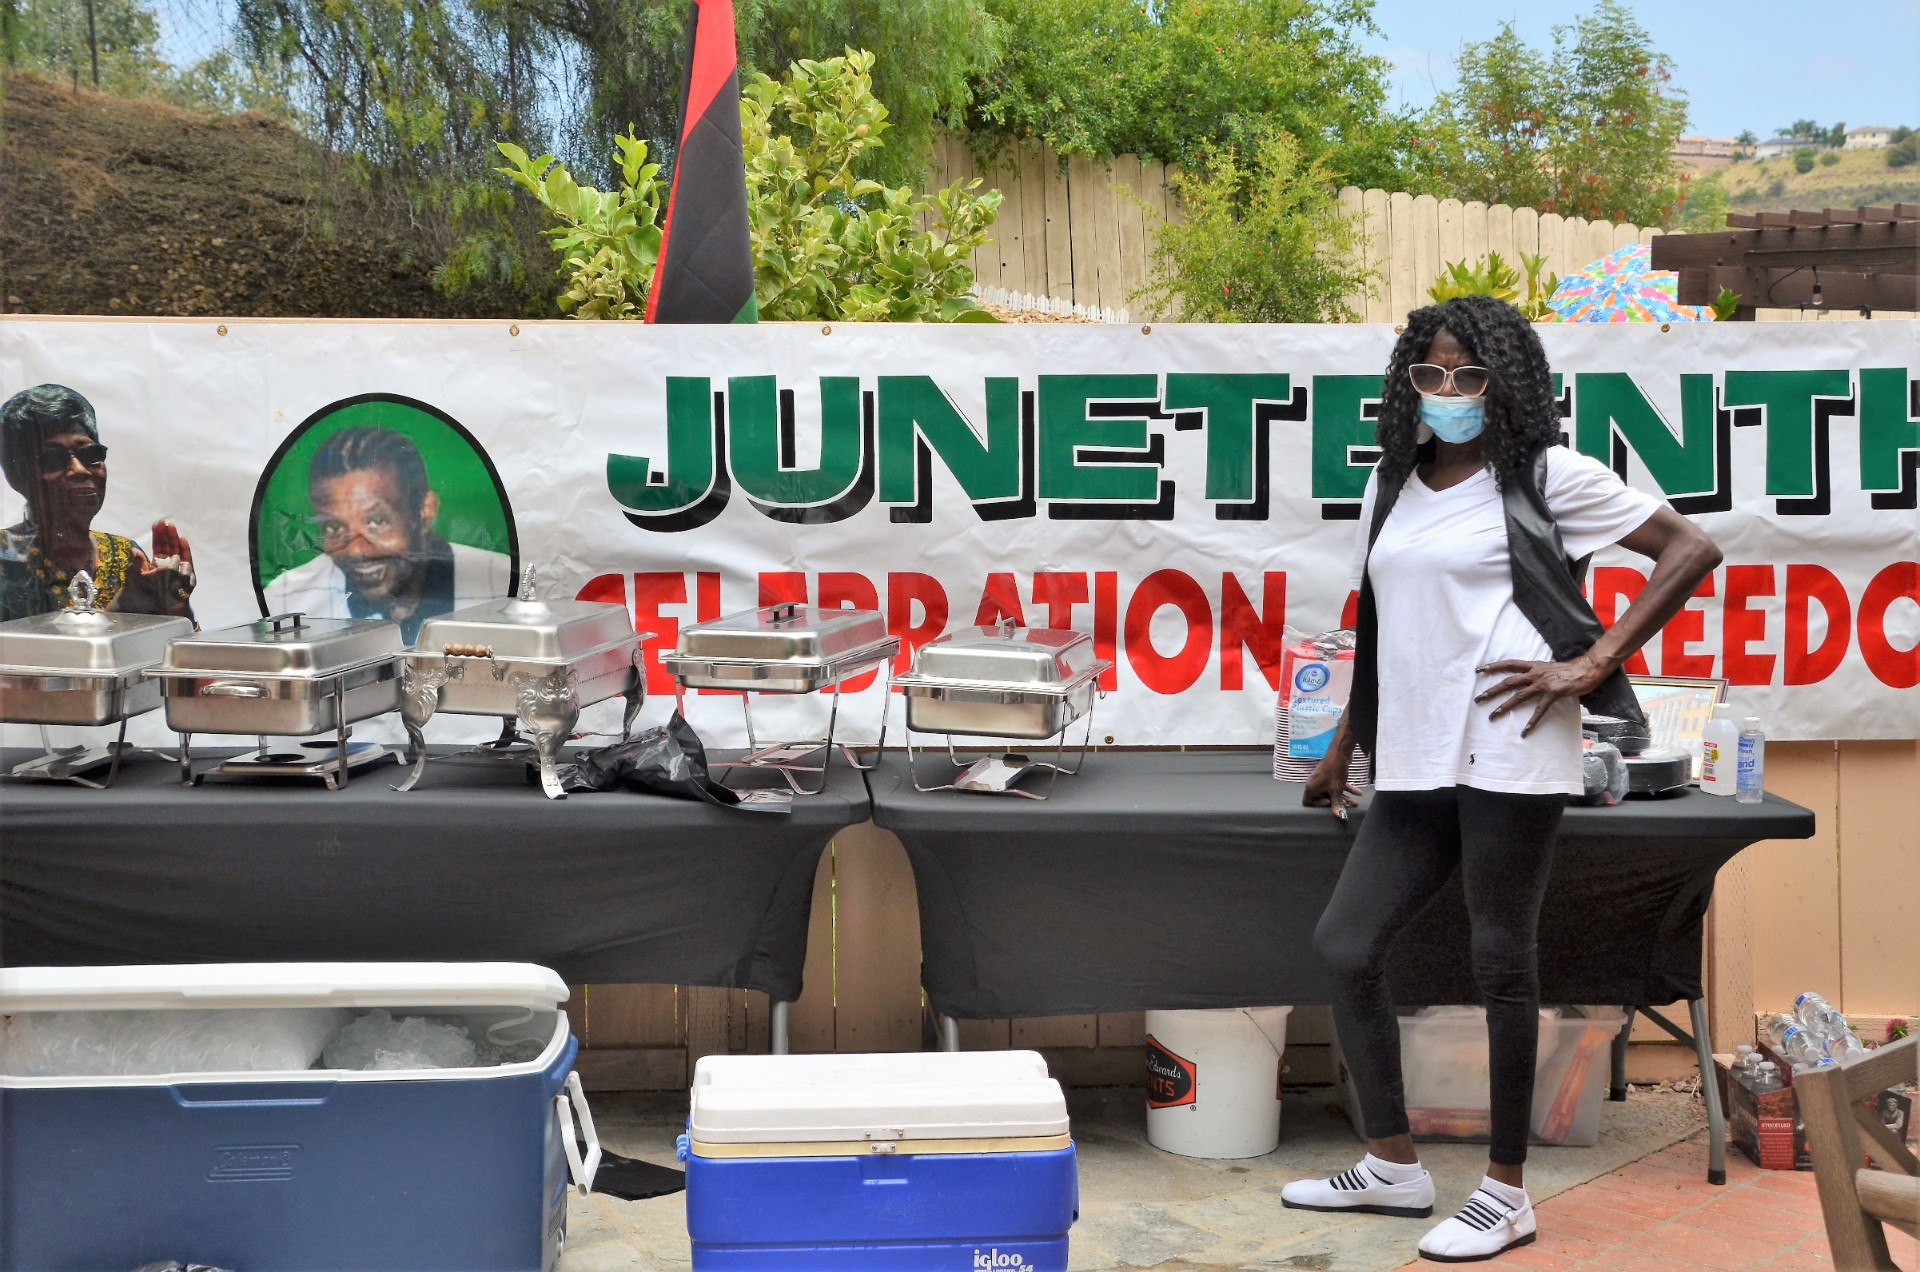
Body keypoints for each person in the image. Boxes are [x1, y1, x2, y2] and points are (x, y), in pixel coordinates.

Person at [1287, 296, 1722, 1263]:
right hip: (1413, 754)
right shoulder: (1392, 486)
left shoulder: (1548, 475)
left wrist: (1592, 662)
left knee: (1500, 962)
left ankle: (1505, 1192)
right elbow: (1385, 628)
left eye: (1468, 374)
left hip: (1511, 745)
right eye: (1430, 374)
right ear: (1408, 383)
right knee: (1345, 945)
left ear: (1505, 382)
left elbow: (1691, 549)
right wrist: (1344, 743)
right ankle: (1392, 1165)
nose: (1447, 391)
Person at [264, 425, 512, 642]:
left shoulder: (505, 588)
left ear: (425, 512)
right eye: (334, 528)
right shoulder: (287, 602)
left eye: (377, 521)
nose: (356, 550)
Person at [0, 384, 196, 624]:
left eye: (90, 454)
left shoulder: (125, 556)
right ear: (17, 476)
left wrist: (174, 606)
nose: (79, 470)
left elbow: (167, 643)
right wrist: (122, 610)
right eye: (53, 459)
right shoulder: (5, 558)